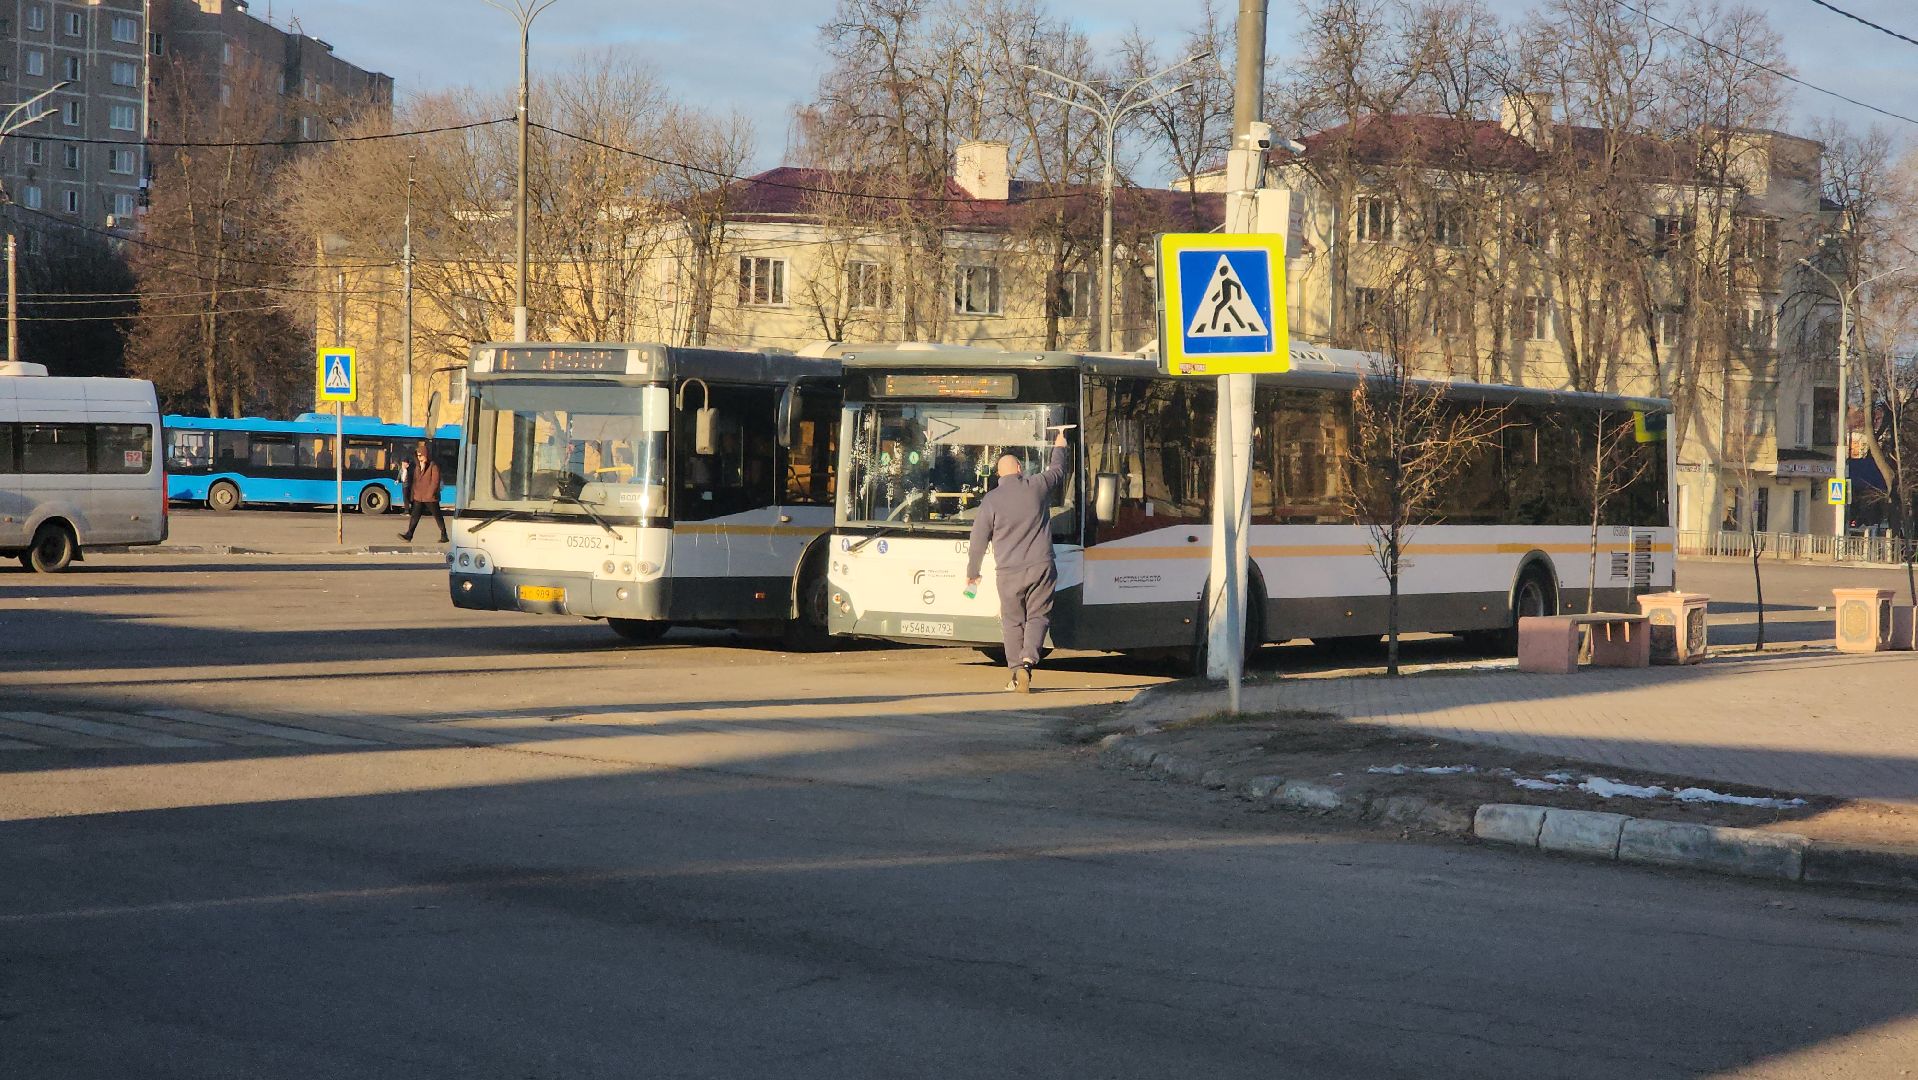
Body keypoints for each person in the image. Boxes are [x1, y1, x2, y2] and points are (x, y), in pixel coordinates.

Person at [965, 428, 1070, 693]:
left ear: (999, 475)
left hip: (1009, 572)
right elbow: (1057, 471)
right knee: (1038, 616)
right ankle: (1028, 658)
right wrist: (1060, 444)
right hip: (1041, 566)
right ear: (1020, 468)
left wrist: (973, 572)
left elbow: (978, 540)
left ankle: (1015, 672)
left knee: (1012, 622)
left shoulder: (991, 501)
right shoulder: (1036, 486)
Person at [398, 441, 447, 543]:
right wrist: (414, 494)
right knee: (414, 516)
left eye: (421, 455)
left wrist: (430, 493)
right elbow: (415, 482)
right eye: (418, 456)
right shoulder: (417, 467)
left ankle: (444, 534)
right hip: (419, 497)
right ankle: (409, 535)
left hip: (430, 498)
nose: (420, 457)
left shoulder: (433, 466)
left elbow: (435, 481)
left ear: (426, 455)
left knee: (437, 516)